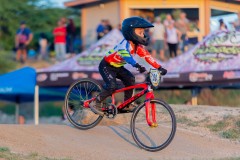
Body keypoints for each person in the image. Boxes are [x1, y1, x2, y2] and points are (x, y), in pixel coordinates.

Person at [89, 16, 167, 115]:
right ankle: (96, 102)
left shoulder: (137, 46)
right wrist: (137, 65)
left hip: (118, 67)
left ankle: (126, 105)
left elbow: (147, 56)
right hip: (106, 66)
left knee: (130, 79)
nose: (143, 35)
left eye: (143, 32)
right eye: (140, 33)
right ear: (131, 32)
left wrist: (159, 67)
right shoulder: (124, 45)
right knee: (112, 86)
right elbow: (127, 57)